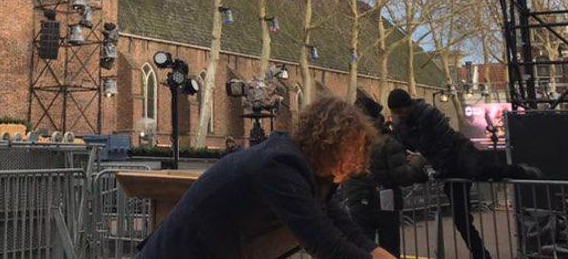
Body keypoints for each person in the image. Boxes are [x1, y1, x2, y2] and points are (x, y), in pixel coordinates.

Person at [139, 96, 397, 259]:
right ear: (326, 142)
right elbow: (324, 243)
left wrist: (377, 252)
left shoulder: (308, 173)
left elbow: (345, 230)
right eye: (350, 150)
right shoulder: (279, 167)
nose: (354, 160)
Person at [387, 88, 540, 259]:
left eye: (400, 111)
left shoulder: (429, 113)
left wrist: (439, 167)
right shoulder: (402, 127)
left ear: (407, 105)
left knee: (481, 171)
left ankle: (520, 171)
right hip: (445, 166)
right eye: (396, 113)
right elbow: (398, 146)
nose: (399, 115)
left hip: (460, 153)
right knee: (461, 219)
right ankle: (480, 254)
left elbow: (444, 141)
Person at [344, 94, 428, 257]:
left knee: (362, 245)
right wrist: (418, 162)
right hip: (384, 203)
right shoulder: (387, 142)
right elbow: (402, 176)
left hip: (356, 200)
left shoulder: (348, 141)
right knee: (389, 246)